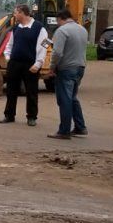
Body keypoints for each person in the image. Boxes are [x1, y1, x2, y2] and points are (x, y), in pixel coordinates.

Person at [0, 3, 47, 126]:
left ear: (22, 13)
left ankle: (32, 117)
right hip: (14, 64)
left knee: (31, 91)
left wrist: (38, 63)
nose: (14, 15)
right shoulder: (16, 28)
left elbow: (44, 46)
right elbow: (9, 45)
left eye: (15, 13)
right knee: (11, 90)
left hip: (30, 65)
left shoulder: (39, 28)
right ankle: (9, 115)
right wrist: (8, 57)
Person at [47, 8, 89, 140]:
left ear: (60, 19)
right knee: (72, 98)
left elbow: (57, 52)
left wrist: (52, 67)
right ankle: (80, 127)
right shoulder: (82, 29)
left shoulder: (62, 31)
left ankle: (64, 130)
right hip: (80, 67)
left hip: (66, 68)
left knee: (64, 99)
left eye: (58, 21)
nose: (57, 24)